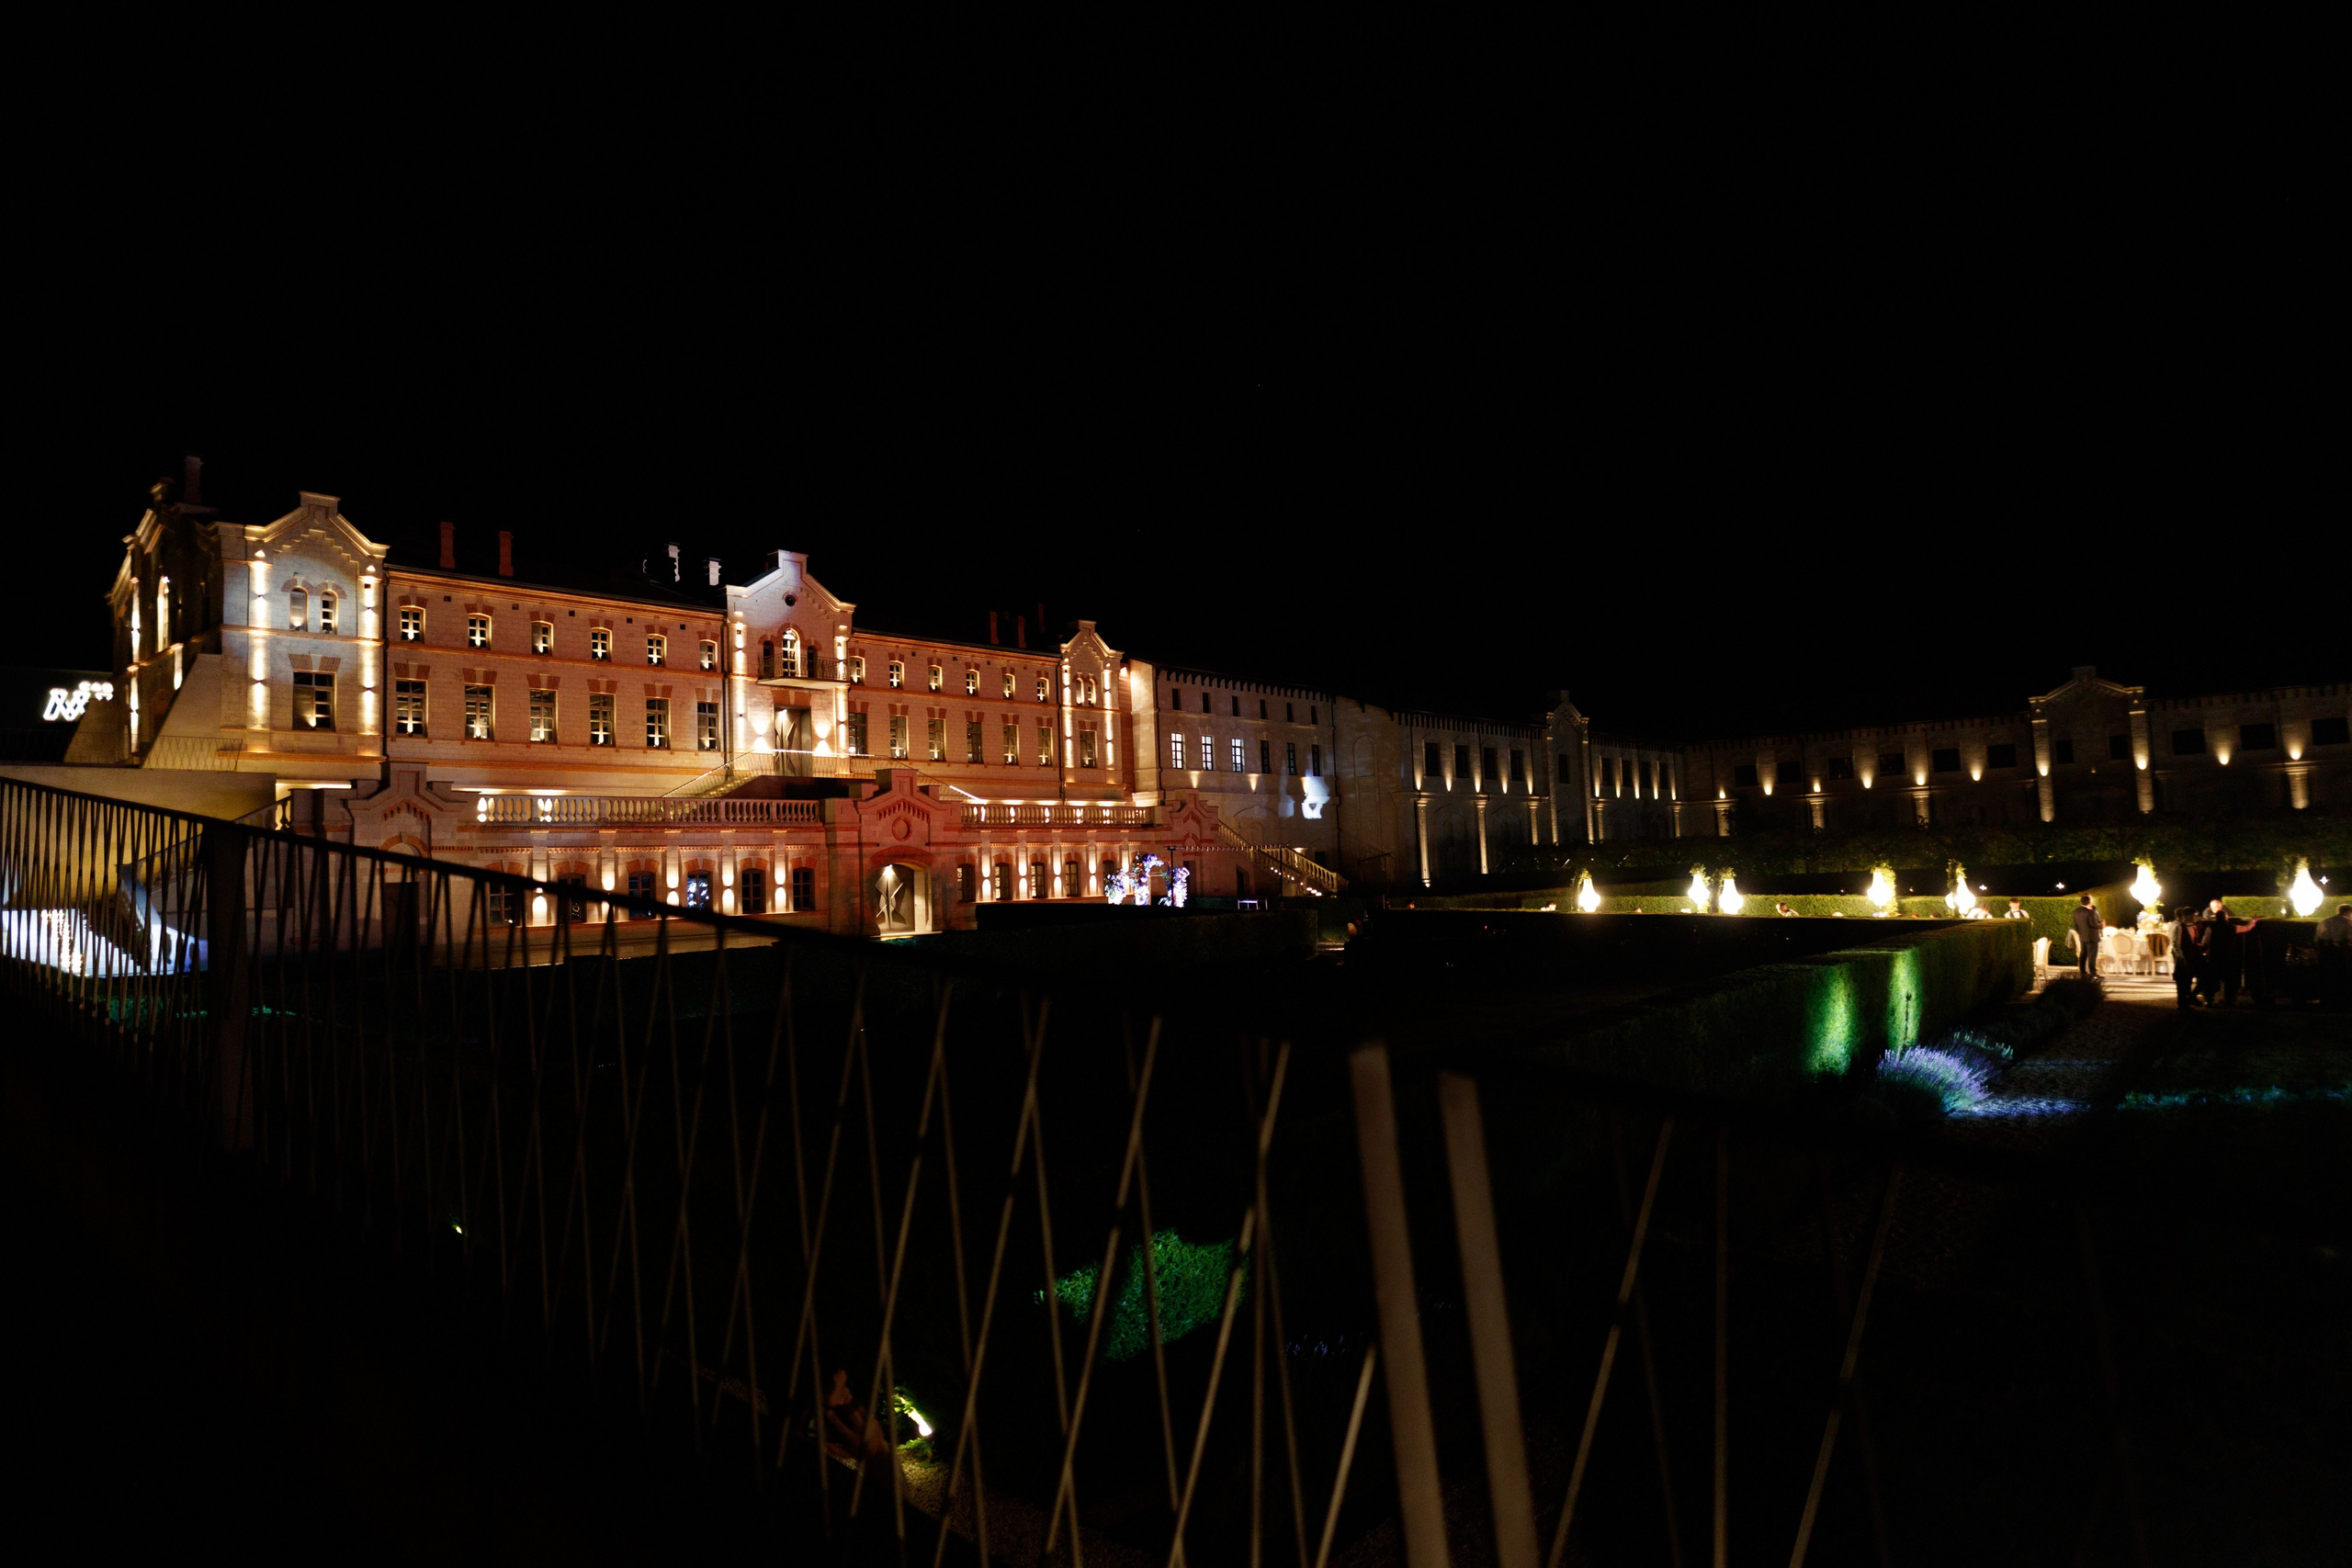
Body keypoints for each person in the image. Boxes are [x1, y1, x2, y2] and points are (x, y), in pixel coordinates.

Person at [2315, 903, 2351, 1010]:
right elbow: (2349, 938)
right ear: (2348, 912)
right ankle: (2341, 1000)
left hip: (2325, 951)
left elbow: (2318, 937)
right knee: (2341, 975)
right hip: (2339, 952)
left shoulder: (2325, 920)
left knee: (2327, 975)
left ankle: (2326, 999)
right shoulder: (2347, 921)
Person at [2166, 903, 2200, 1009]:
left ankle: (2189, 998)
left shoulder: (2193, 927)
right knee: (2182, 980)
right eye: (2193, 915)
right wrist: (2181, 957)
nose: (2195, 917)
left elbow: (2193, 942)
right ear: (2186, 916)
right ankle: (2182, 1002)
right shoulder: (2179, 927)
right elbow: (2176, 944)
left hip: (2191, 955)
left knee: (2189, 979)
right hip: (2183, 956)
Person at [2070, 894, 2103, 980]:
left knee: (2083, 955)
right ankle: (2093, 973)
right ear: (2089, 902)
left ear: (2081, 902)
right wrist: (2101, 925)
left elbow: (2076, 926)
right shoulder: (2090, 911)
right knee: (2092, 955)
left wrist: (2081, 933)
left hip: (2083, 937)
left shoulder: (2076, 911)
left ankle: (2083, 972)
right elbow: (2093, 924)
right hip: (2092, 937)